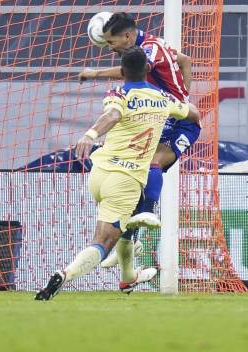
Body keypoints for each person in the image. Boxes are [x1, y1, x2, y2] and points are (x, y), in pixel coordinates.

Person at [36, 46, 201, 300]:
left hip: (99, 172)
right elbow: (193, 113)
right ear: (149, 69)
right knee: (103, 242)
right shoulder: (164, 99)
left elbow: (113, 115)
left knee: (122, 228)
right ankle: (64, 274)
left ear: (122, 71)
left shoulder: (118, 92)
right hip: (126, 179)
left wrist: (90, 134)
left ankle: (128, 278)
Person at [78, 12, 198, 267]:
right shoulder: (154, 43)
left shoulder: (149, 49)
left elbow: (129, 70)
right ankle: (131, 239)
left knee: (150, 162)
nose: (110, 48)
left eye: (112, 43)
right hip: (166, 113)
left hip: (180, 122)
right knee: (136, 174)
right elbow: (186, 61)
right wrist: (182, 95)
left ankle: (147, 213)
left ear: (128, 36)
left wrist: (94, 74)